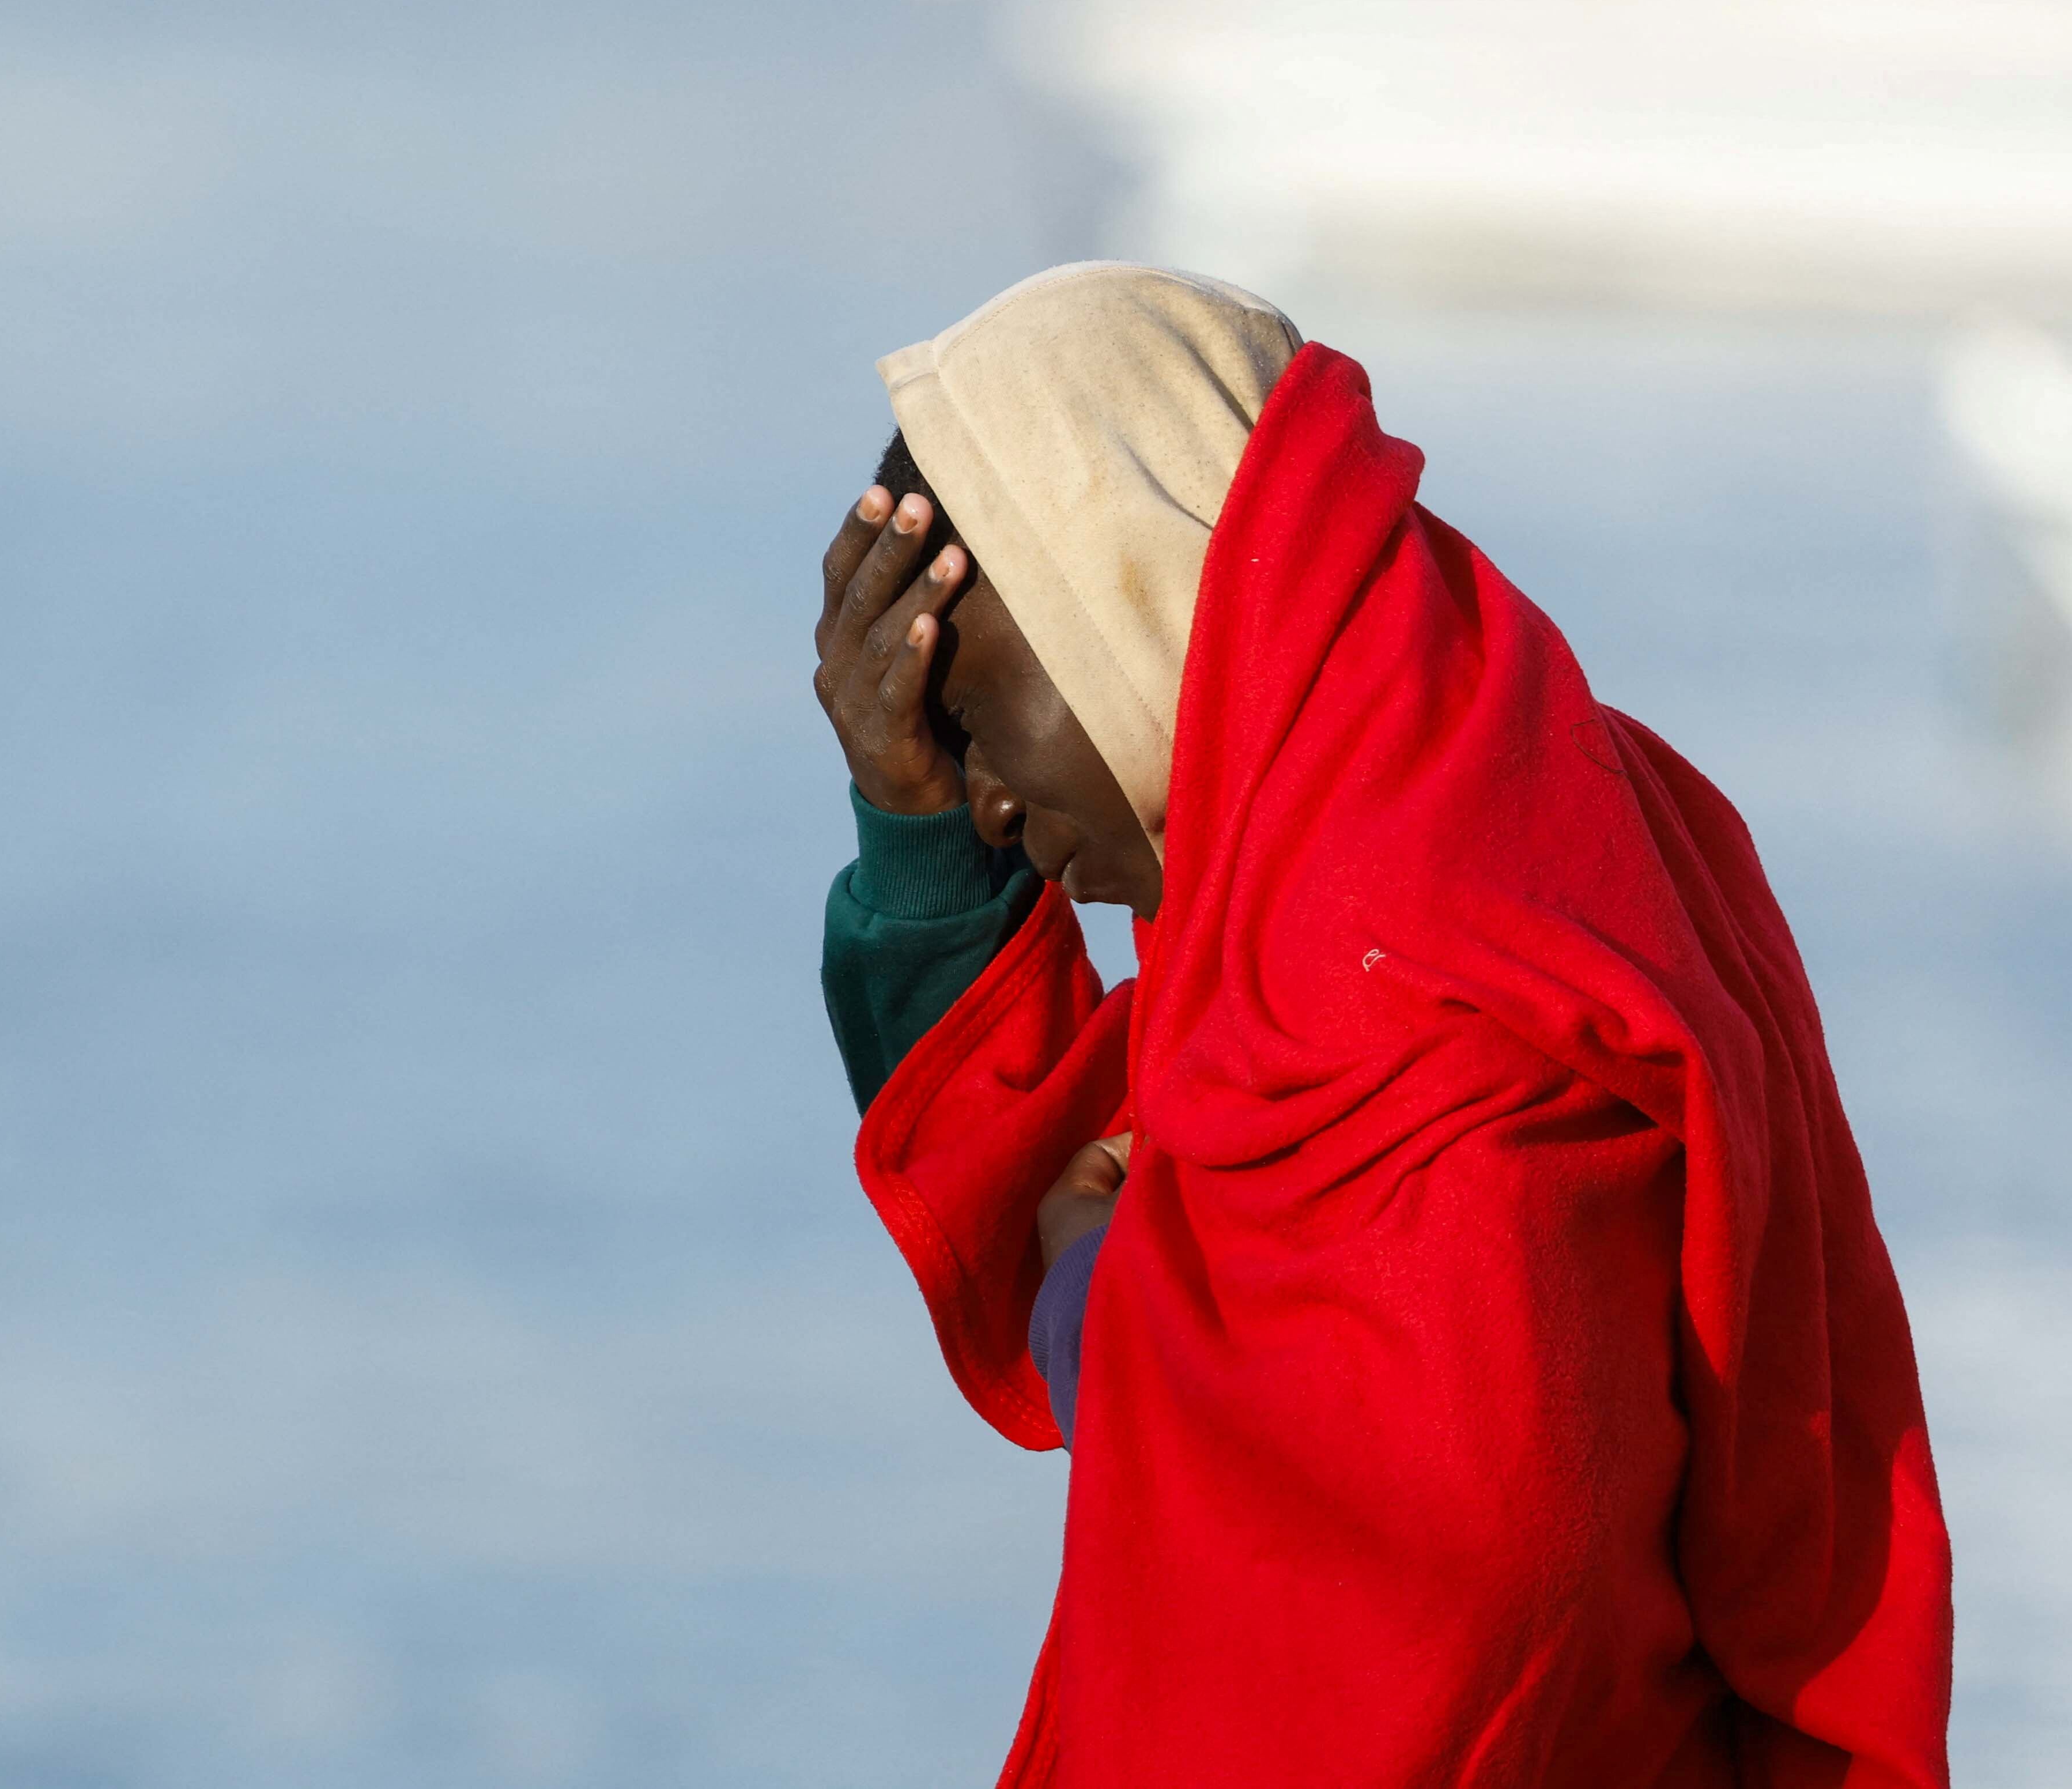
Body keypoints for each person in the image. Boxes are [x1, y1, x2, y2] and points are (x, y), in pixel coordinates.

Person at [813, 262, 1951, 1787]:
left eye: (976, 733)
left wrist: (1099, 1292)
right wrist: (913, 829)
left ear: (1132, 608)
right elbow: (1090, 1183)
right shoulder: (1477, 832)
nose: (996, 808)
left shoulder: (1416, 994)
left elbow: (1438, 1586)